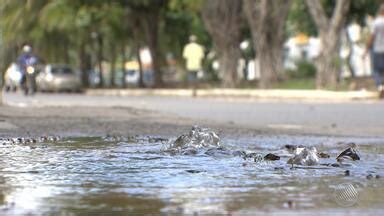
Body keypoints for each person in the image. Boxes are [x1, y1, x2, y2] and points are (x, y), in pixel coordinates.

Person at [365, 4, 384, 98]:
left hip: (378, 49)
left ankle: (380, 86)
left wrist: (366, 49)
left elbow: (372, 36)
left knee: (376, 70)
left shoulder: (376, 22)